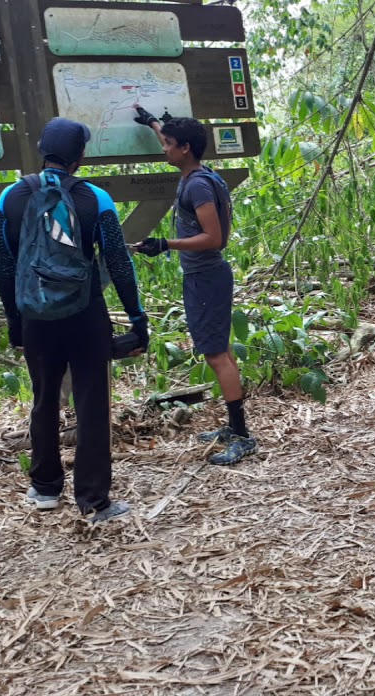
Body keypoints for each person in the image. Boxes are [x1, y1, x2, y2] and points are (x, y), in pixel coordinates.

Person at [0, 117, 148, 523]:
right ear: (81, 155)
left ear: (42, 148)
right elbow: (118, 261)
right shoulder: (96, 199)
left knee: (44, 400)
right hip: (85, 314)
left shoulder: (10, 198)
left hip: (35, 316)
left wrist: (14, 321)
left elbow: (4, 267)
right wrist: (136, 317)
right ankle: (94, 500)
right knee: (92, 404)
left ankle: (44, 488)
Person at [131, 107, 256, 465]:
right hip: (206, 276)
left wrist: (164, 244)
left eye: (168, 144)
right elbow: (172, 139)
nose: (163, 149)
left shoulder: (198, 185)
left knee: (217, 356)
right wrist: (154, 122)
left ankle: (243, 436)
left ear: (185, 148)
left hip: (206, 276)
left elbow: (213, 238)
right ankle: (234, 428)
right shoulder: (201, 174)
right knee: (222, 350)